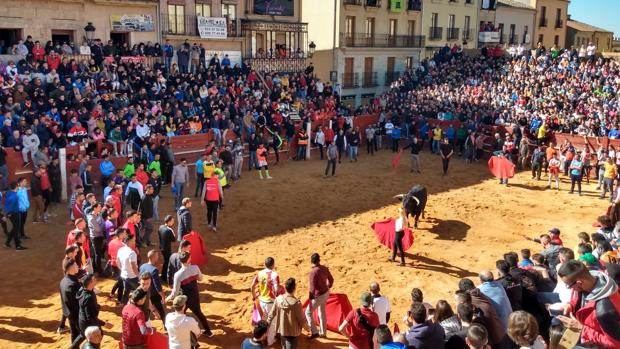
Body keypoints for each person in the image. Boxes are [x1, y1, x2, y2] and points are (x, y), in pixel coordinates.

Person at [557, 260, 620, 348]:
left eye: (568, 285)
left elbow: (616, 344)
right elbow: (579, 297)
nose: (569, 288)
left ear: (580, 283)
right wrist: (570, 305)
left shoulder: (605, 312)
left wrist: (581, 329)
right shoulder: (589, 280)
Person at [166, 251, 213, 337]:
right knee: (199, 313)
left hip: (184, 299)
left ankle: (181, 332)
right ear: (189, 259)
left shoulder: (178, 275)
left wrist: (168, 298)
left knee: (179, 315)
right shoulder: (195, 268)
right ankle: (208, 331)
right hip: (195, 295)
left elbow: (175, 292)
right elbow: (200, 279)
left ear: (180, 261)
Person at [267, 277, 309, 349]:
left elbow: (271, 314)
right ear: (294, 289)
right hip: (293, 332)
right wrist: (308, 328)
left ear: (285, 288)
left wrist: (267, 324)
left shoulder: (278, 299)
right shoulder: (296, 303)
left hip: (282, 330)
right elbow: (302, 320)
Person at [251, 257, 281, 345]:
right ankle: (270, 341)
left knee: (263, 322)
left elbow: (252, 286)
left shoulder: (259, 273)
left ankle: (263, 338)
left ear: (265, 264)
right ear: (273, 265)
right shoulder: (275, 275)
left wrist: (254, 297)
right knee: (272, 323)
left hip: (261, 302)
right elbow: (276, 289)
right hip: (271, 303)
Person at [74, 273, 108, 349]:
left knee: (82, 335)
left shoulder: (83, 290)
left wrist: (98, 306)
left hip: (82, 320)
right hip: (88, 324)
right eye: (93, 279)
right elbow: (91, 317)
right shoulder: (89, 297)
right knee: (98, 337)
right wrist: (104, 323)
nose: (95, 280)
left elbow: (87, 306)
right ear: (90, 283)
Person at [306, 253, 334, 339]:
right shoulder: (324, 268)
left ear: (311, 261)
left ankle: (314, 332)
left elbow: (312, 288)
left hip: (318, 296)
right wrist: (328, 286)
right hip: (326, 293)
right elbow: (331, 279)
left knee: (308, 312)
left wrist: (310, 299)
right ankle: (323, 332)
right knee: (322, 312)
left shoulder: (313, 273)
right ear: (319, 260)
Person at [139, 250, 166, 322]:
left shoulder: (142, 266)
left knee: (146, 309)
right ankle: (165, 326)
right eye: (157, 256)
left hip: (144, 292)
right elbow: (157, 286)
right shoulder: (154, 270)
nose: (158, 257)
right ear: (154, 257)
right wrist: (162, 296)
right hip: (153, 294)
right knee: (161, 311)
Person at [60, 258, 81, 347]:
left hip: (68, 312)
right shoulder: (72, 284)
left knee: (74, 333)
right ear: (71, 268)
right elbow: (78, 302)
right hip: (76, 314)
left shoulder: (63, 281)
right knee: (84, 333)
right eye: (76, 265)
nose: (78, 266)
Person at [117, 234, 139, 305]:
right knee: (139, 291)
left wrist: (123, 269)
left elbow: (117, 262)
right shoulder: (132, 253)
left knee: (126, 290)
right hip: (132, 277)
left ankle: (123, 304)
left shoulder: (120, 250)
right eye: (134, 241)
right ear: (130, 242)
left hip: (123, 275)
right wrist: (139, 276)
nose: (134, 242)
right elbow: (133, 266)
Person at [4, 181, 25, 250]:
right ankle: (18, 246)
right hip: (15, 214)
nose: (19, 186)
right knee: (16, 229)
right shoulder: (14, 196)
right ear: (16, 187)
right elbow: (11, 206)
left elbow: (7, 205)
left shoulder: (9, 193)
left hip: (11, 214)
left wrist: (7, 214)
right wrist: (6, 215)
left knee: (15, 228)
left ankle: (7, 242)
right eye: (18, 185)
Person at [158, 215, 176, 283]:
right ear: (169, 221)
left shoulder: (161, 227)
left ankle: (163, 276)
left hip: (162, 247)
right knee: (167, 262)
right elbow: (174, 239)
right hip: (167, 249)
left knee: (166, 261)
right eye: (172, 221)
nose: (173, 222)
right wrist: (173, 232)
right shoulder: (169, 230)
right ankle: (164, 277)